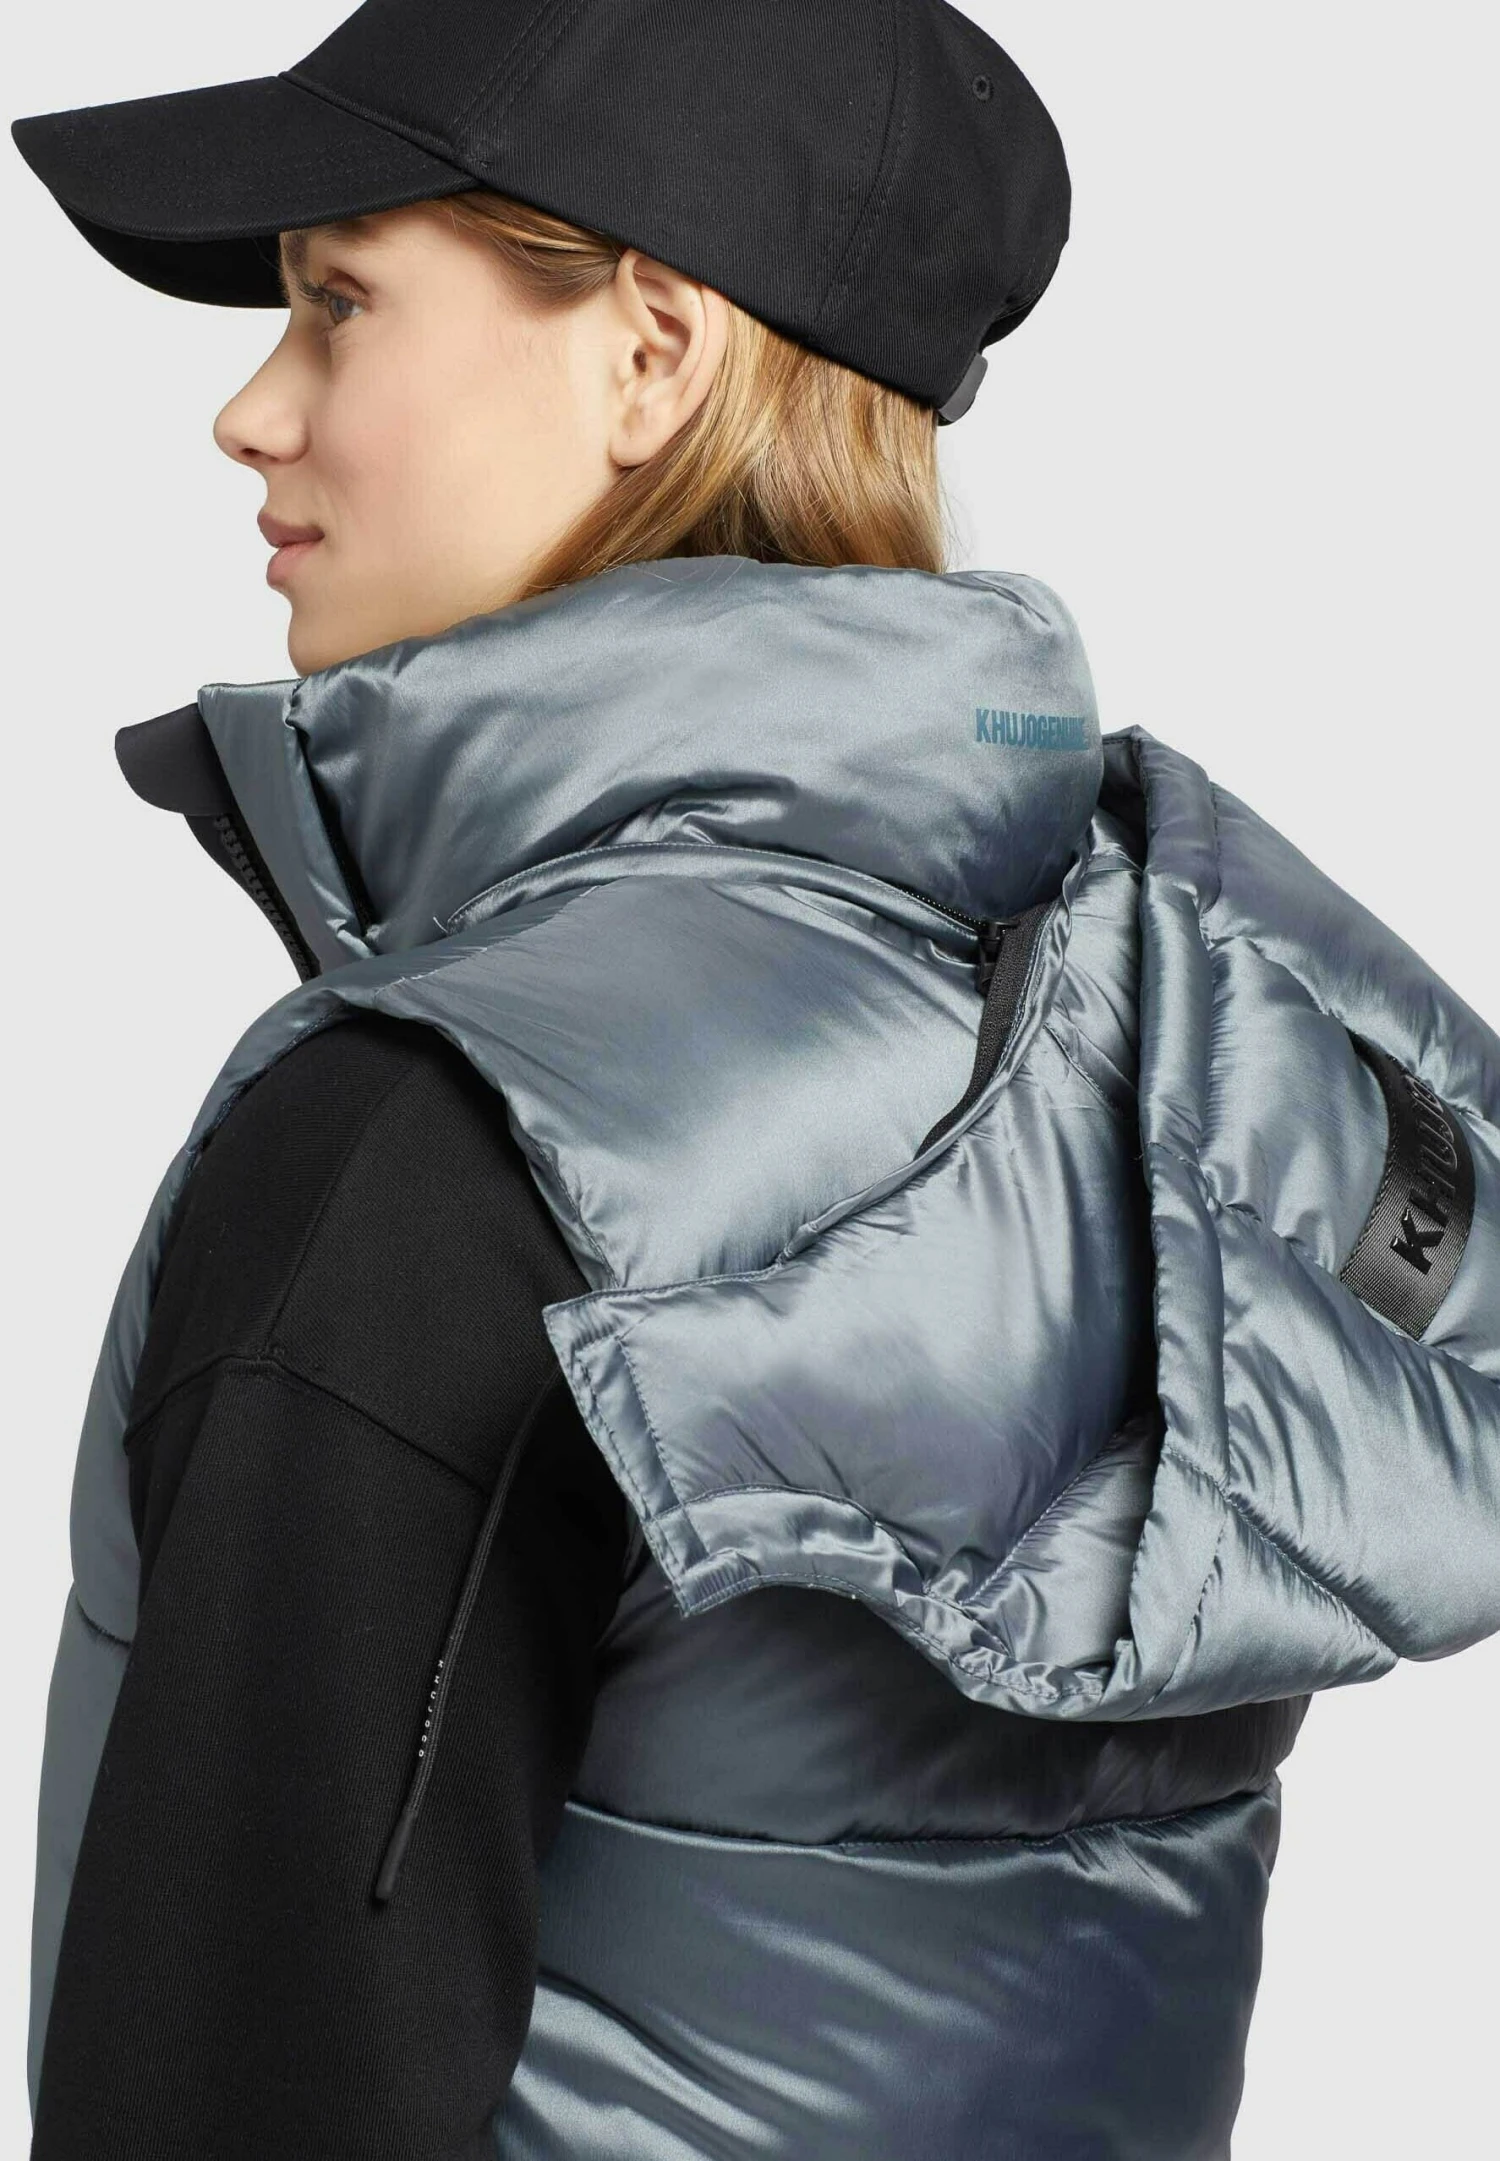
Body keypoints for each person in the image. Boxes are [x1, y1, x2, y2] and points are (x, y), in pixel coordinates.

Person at [11, 4, 1500, 2157]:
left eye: (341, 302)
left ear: (651, 351)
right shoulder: (1185, 1082)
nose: (251, 410)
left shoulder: (453, 1150)